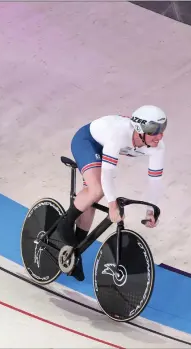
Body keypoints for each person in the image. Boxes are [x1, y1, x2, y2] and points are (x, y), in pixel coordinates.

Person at [57, 105, 167, 281]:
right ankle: (65, 223)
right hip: (87, 141)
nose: (160, 136)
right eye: (155, 131)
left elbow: (155, 182)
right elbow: (107, 173)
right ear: (139, 130)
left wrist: (151, 210)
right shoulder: (119, 134)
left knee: (92, 199)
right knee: (98, 189)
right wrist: (112, 204)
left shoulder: (157, 147)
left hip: (105, 148)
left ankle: (74, 253)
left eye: (162, 129)